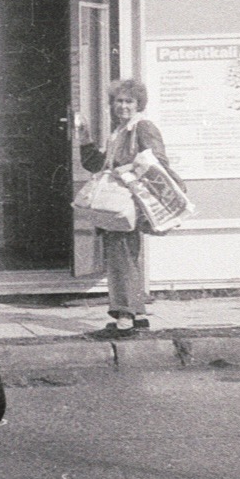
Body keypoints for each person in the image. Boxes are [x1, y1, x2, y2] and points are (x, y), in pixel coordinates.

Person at [78, 78, 176, 337]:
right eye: (119, 101)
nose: (123, 106)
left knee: (122, 255)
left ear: (138, 104)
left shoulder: (142, 127)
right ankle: (133, 312)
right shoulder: (120, 131)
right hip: (117, 203)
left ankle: (125, 316)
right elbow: (100, 165)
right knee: (122, 255)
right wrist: (85, 140)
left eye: (129, 101)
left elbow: (159, 162)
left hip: (128, 203)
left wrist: (129, 168)